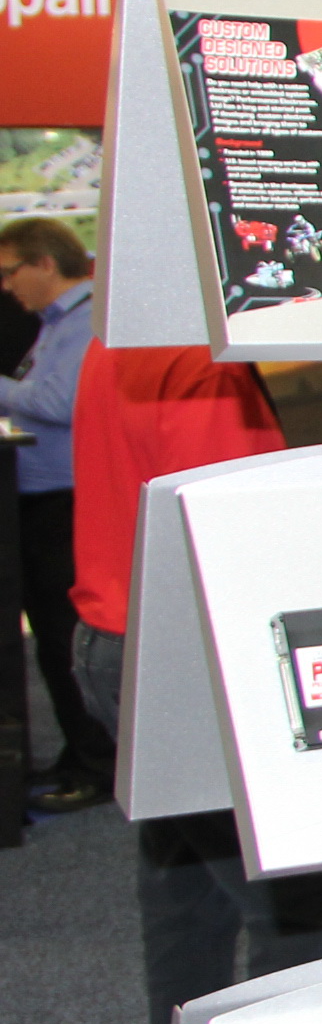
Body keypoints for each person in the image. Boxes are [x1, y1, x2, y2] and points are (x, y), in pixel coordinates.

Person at [68, 340, 322, 1024]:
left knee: (187, 900)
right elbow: (232, 537)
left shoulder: (123, 336)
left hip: (122, 638)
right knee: (299, 907)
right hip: (192, 656)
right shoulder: (200, 362)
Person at [1, 218, 113, 811]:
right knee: (51, 636)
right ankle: (81, 753)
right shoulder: (56, 323)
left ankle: (97, 763)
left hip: (66, 499)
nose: (6, 286)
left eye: (10, 272)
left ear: (44, 262)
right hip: (45, 496)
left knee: (65, 635)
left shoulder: (85, 319)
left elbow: (58, 402)